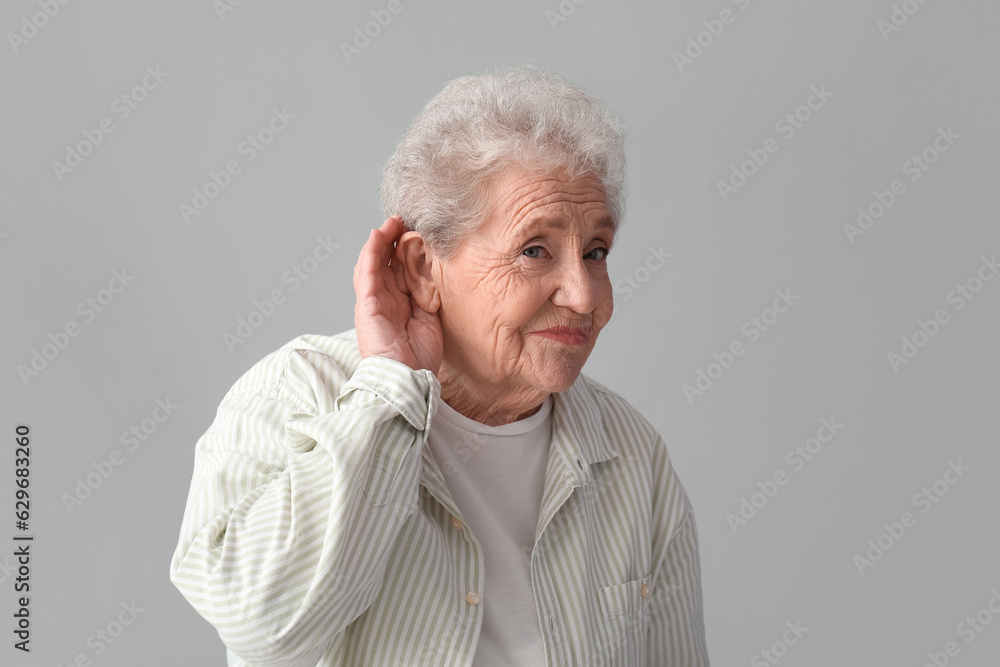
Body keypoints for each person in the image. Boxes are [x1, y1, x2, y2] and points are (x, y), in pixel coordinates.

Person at [170, 67, 710, 666]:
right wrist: (386, 394)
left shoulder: (634, 454)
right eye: (535, 250)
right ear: (426, 268)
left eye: (596, 252)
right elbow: (261, 627)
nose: (584, 296)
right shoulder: (296, 394)